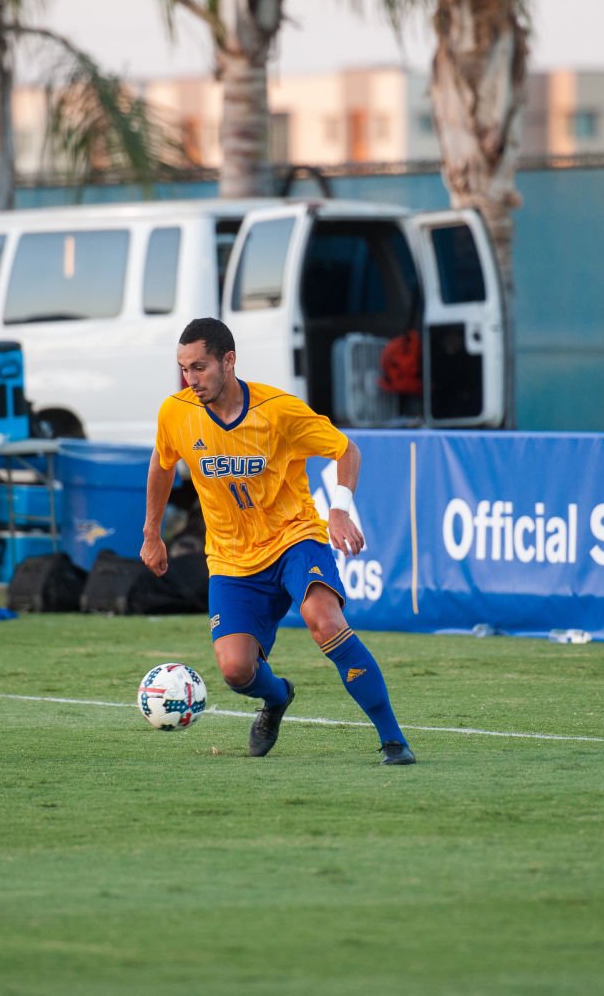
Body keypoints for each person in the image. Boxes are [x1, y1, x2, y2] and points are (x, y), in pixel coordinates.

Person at [141, 317, 415, 766]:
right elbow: (161, 463)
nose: (191, 380)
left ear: (229, 361)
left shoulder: (278, 410)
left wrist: (340, 509)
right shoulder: (176, 412)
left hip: (293, 538)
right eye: (184, 369)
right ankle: (276, 697)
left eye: (200, 367)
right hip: (230, 558)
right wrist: (152, 532)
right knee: (235, 670)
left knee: (324, 621)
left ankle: (393, 741)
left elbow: (347, 450)